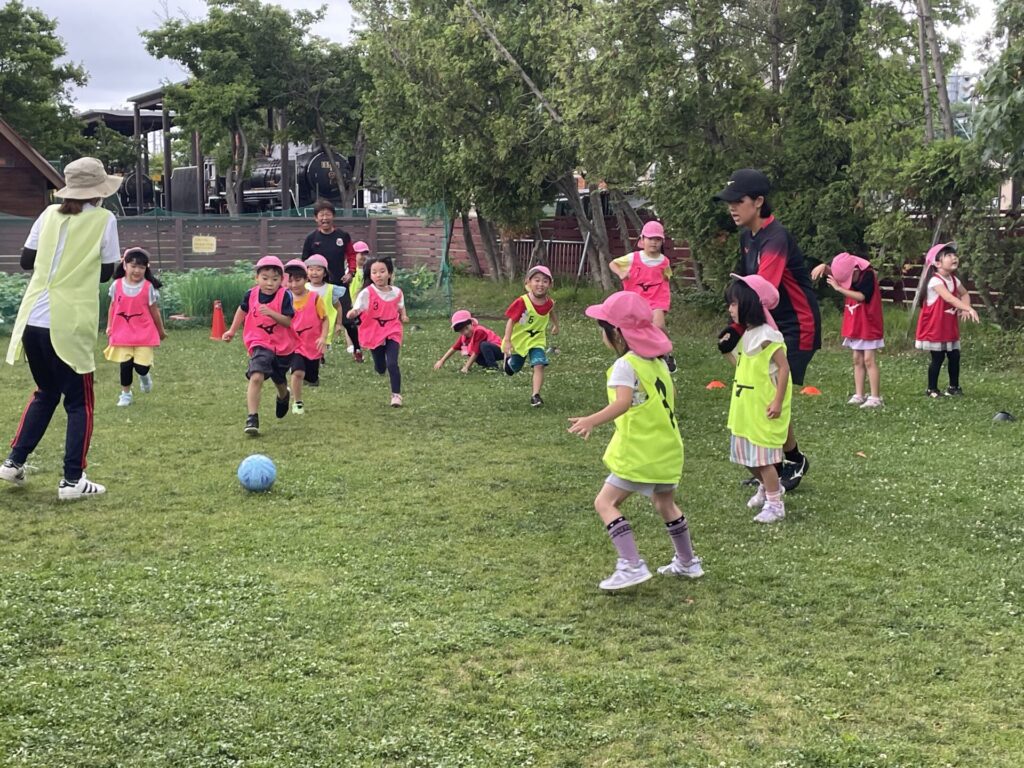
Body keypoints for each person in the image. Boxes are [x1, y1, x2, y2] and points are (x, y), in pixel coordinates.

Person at [1, 157, 122, 500]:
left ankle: (14, 462)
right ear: (98, 193)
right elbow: (105, 272)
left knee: (45, 392)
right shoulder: (104, 219)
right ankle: (72, 480)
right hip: (68, 321)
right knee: (79, 402)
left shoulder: (47, 215)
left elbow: (27, 260)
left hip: (33, 318)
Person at [568, 291, 703, 590]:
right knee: (665, 503)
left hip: (640, 450)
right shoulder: (658, 364)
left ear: (615, 332)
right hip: (668, 448)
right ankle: (688, 562)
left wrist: (591, 420)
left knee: (605, 502)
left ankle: (631, 564)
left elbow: (623, 403)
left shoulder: (624, 365)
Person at [715, 168, 819, 491]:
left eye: (738, 201)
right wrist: (736, 328)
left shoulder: (776, 239)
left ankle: (792, 460)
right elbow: (747, 289)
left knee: (776, 391)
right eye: (729, 202)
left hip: (795, 325)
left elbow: (762, 293)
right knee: (762, 388)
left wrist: (736, 328)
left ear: (759, 202)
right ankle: (769, 467)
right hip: (766, 322)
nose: (732, 207)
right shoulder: (748, 236)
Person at [720, 274, 792, 524]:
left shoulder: (767, 336)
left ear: (750, 303)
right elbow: (743, 366)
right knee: (745, 457)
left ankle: (775, 503)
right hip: (744, 408)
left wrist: (778, 401)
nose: (730, 309)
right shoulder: (747, 335)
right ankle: (767, 487)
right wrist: (727, 351)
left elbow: (784, 368)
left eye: (734, 303)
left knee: (763, 460)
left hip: (763, 408)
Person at [222, 255, 295, 435]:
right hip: (259, 341)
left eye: (275, 279)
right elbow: (243, 310)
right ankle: (252, 417)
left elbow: (287, 322)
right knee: (256, 376)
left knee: (279, 380)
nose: (270, 283)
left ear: (282, 280)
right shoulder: (251, 294)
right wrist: (231, 330)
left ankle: (283, 395)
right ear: (257, 278)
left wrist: (271, 313)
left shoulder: (285, 295)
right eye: (265, 278)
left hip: (282, 345)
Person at [811, 252, 884, 408]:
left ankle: (875, 397)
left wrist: (838, 288)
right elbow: (838, 273)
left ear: (856, 270)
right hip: (855, 322)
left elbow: (862, 296)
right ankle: (859, 394)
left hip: (868, 323)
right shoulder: (849, 270)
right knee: (857, 359)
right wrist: (824, 267)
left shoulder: (868, 275)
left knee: (868, 360)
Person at [609, 219, 676, 372]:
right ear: (642, 240)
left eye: (657, 239)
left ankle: (666, 351)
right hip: (636, 300)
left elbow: (667, 278)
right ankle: (636, 354)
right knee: (635, 330)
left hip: (657, 299)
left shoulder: (664, 261)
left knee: (658, 325)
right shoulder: (633, 258)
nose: (654, 242)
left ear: (662, 242)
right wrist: (621, 273)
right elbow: (613, 263)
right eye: (650, 238)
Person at [104, 247, 167, 407]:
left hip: (143, 333)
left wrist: (160, 331)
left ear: (146, 269)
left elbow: (154, 311)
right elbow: (113, 307)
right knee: (125, 365)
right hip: (122, 332)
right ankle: (126, 394)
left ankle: (144, 376)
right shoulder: (116, 285)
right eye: (133, 266)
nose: (137, 270)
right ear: (124, 265)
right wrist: (109, 326)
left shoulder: (148, 288)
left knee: (141, 367)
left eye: (141, 267)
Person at [914, 243, 979, 397]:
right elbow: (949, 298)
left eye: (954, 255)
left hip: (948, 327)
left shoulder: (954, 280)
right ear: (937, 264)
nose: (954, 257)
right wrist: (968, 309)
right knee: (938, 357)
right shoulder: (935, 281)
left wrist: (965, 306)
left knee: (954, 356)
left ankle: (954, 387)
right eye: (948, 256)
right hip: (935, 327)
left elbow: (964, 294)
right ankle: (932, 389)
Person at [302, 199, 363, 362]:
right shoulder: (311, 238)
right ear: (316, 218)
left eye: (327, 214)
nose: (324, 218)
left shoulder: (342, 236)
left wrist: (351, 272)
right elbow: (304, 262)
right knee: (315, 319)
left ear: (333, 216)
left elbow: (351, 255)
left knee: (347, 320)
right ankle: (318, 355)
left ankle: (357, 349)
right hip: (316, 286)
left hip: (338, 284)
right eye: (321, 215)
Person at [348, 256, 408, 407]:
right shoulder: (367, 293)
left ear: (389, 273)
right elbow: (358, 308)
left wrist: (404, 315)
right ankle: (379, 366)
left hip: (393, 329)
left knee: (392, 363)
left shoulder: (397, 292)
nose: (378, 275)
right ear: (370, 275)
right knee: (381, 366)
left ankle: (396, 395)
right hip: (373, 331)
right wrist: (353, 313)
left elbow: (400, 306)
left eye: (382, 271)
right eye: (374, 272)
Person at [501, 265, 559, 407]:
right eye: (537, 280)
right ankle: (508, 363)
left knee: (539, 364)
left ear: (549, 284)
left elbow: (551, 311)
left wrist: (556, 325)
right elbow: (511, 321)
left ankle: (535, 395)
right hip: (519, 341)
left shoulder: (549, 302)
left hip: (537, 340)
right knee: (515, 367)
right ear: (528, 282)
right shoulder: (522, 302)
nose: (540, 284)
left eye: (545, 281)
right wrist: (507, 340)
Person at [284, 259, 329, 414]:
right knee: (298, 372)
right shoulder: (285, 299)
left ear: (306, 279)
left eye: (298, 280)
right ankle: (297, 403)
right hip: (294, 345)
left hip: (312, 345)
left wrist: (323, 337)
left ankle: (307, 380)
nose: (294, 284)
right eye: (290, 281)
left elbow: (325, 319)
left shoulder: (314, 298)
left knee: (311, 377)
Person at [304, 253, 344, 366]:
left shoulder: (330, 289)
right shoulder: (304, 288)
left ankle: (319, 358)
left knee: (322, 343)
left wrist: (339, 324)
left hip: (325, 322)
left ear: (325, 272)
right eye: (311, 269)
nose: (314, 273)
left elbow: (338, 306)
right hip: (308, 322)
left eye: (318, 269)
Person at [433, 310, 504, 373]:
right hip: (488, 352)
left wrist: (466, 367)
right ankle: (486, 365)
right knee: (469, 350)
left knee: (483, 345)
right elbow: (454, 348)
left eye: (467, 328)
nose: (466, 332)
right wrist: (442, 361)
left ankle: (493, 367)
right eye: (461, 331)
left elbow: (476, 352)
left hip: (500, 350)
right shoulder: (464, 337)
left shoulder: (479, 331)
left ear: (472, 323)